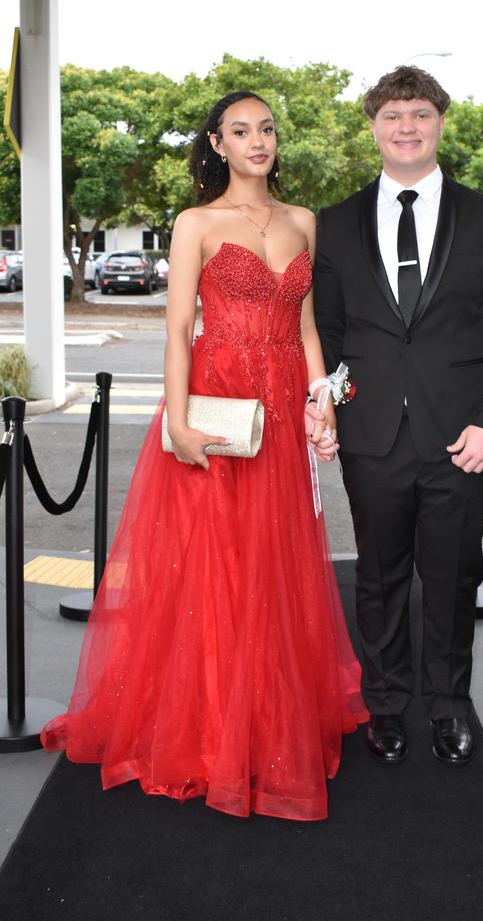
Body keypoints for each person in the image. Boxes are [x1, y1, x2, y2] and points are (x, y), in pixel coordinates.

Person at [41, 90, 367, 821]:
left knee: (275, 566)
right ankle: (212, 729)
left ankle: (267, 723)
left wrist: (323, 402)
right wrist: (180, 423)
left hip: (283, 410)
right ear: (217, 144)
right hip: (219, 404)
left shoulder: (303, 222)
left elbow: (309, 327)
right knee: (215, 565)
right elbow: (178, 329)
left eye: (268, 129)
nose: (258, 141)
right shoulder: (195, 223)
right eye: (241, 131)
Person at [313, 66, 483, 767]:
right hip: (371, 434)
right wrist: (330, 405)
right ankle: (384, 702)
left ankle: (446, 701)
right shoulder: (337, 223)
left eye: (420, 114)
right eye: (392, 115)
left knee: (451, 574)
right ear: (373, 126)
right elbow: (331, 333)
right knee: (377, 576)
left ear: (440, 123)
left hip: (461, 434)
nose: (406, 127)